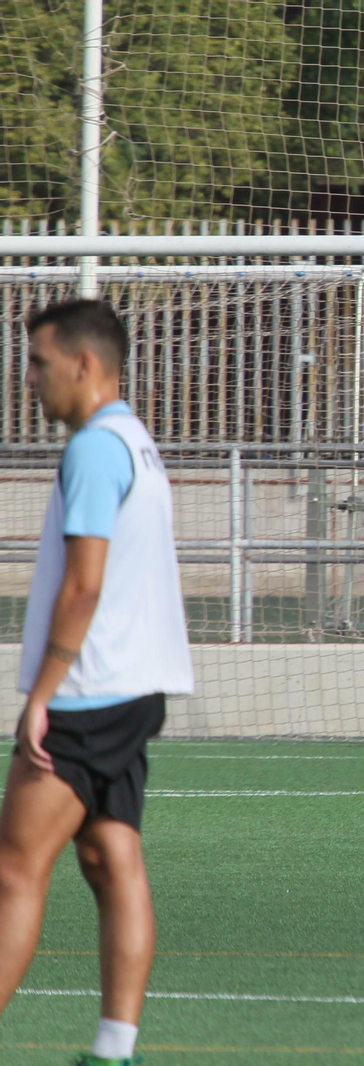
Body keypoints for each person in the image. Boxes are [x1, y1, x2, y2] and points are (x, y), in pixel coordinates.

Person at [0, 299, 193, 1066]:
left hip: (87, 690)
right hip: (136, 688)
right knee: (110, 857)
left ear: (84, 364)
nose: (30, 378)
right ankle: (115, 1051)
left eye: (40, 362)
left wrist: (40, 695)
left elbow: (83, 587)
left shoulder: (92, 451)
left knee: (15, 867)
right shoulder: (137, 442)